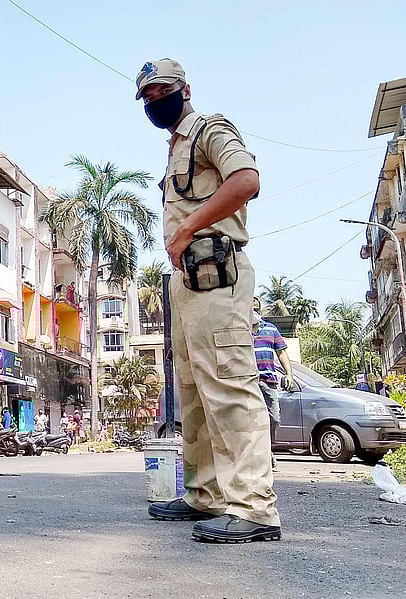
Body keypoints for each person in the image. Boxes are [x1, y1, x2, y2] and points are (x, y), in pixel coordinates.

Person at [137, 59, 280, 543]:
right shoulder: (176, 145)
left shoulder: (209, 128)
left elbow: (246, 181)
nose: (157, 102)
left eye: (163, 91)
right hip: (188, 279)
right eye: (149, 97)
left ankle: (254, 508)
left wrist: (188, 227)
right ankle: (206, 495)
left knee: (230, 385)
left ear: (185, 89)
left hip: (218, 273)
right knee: (193, 390)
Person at [252, 300, 294, 471]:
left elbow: (282, 352)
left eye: (255, 307)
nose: (253, 310)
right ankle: (263, 457)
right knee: (252, 423)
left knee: (274, 419)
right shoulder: (241, 329)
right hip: (249, 382)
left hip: (269, 381)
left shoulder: (270, 329)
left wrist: (289, 373)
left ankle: (267, 450)